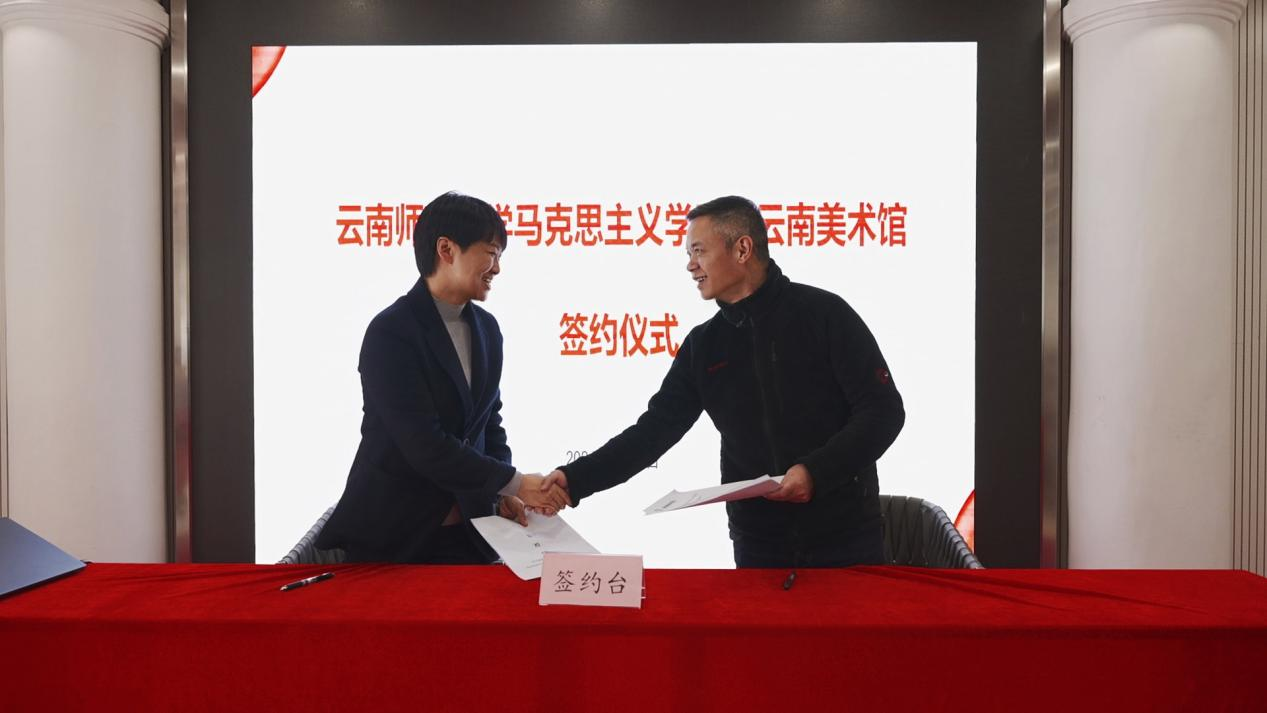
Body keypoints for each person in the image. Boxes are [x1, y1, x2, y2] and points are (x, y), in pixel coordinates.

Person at [543, 196, 905, 568]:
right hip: (759, 545)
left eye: (699, 251)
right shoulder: (704, 345)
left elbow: (883, 412)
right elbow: (652, 433)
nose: (691, 265)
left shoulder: (825, 314)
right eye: (689, 254)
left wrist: (816, 472)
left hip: (845, 536)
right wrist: (575, 480)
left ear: (743, 249)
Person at [318, 191, 568, 564]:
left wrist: (502, 493)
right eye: (492, 252)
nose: (497, 268)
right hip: (395, 538)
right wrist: (513, 481)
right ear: (446, 249)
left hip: (471, 532)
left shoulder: (488, 329)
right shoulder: (391, 332)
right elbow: (424, 443)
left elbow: (489, 424)